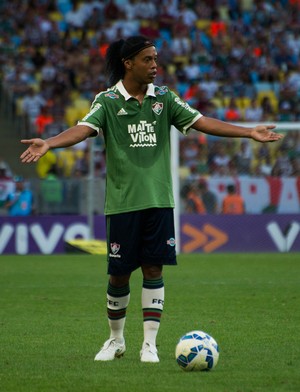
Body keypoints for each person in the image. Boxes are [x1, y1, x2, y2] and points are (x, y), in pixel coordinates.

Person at [19, 35, 283, 363]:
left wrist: (248, 132)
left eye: (156, 59)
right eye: (148, 60)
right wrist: (50, 143)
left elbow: (202, 122)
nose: (155, 66)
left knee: (154, 269)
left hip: (159, 200)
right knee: (118, 274)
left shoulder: (165, 98)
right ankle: (116, 340)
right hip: (122, 202)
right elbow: (84, 129)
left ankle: (150, 344)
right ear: (128, 63)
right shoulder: (108, 100)